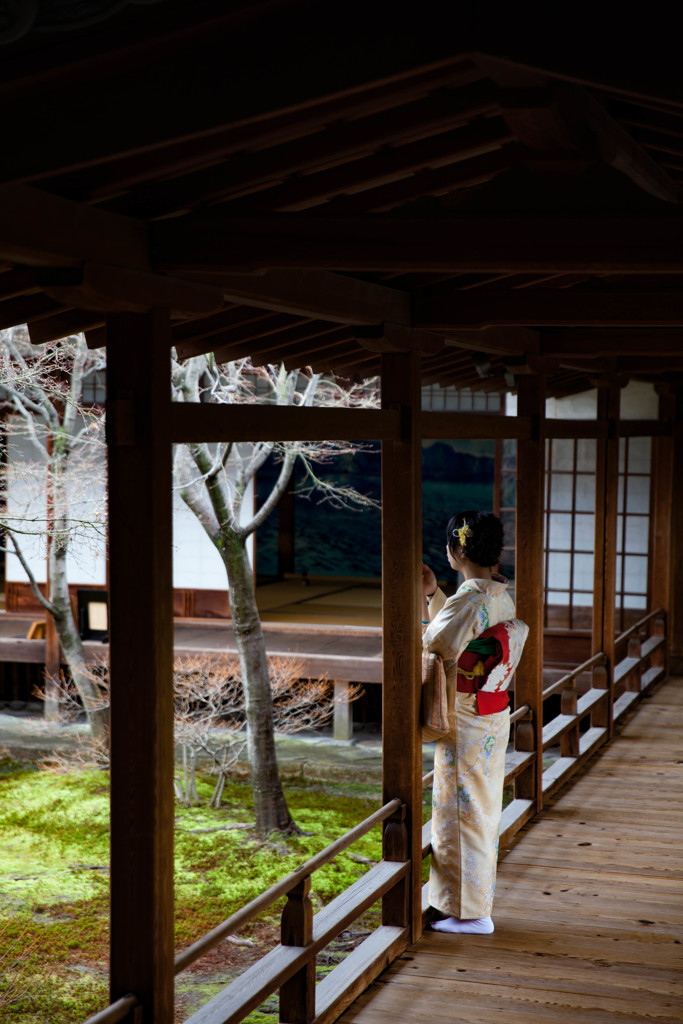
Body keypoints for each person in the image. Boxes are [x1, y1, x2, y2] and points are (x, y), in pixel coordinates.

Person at [422, 510, 526, 935]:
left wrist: (421, 608)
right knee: (478, 810)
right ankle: (468, 904)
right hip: (490, 712)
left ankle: (470, 913)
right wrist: (434, 595)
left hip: (464, 716)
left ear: (457, 549)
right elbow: (464, 628)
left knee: (459, 811)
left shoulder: (471, 599)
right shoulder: (499, 593)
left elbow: (438, 642)